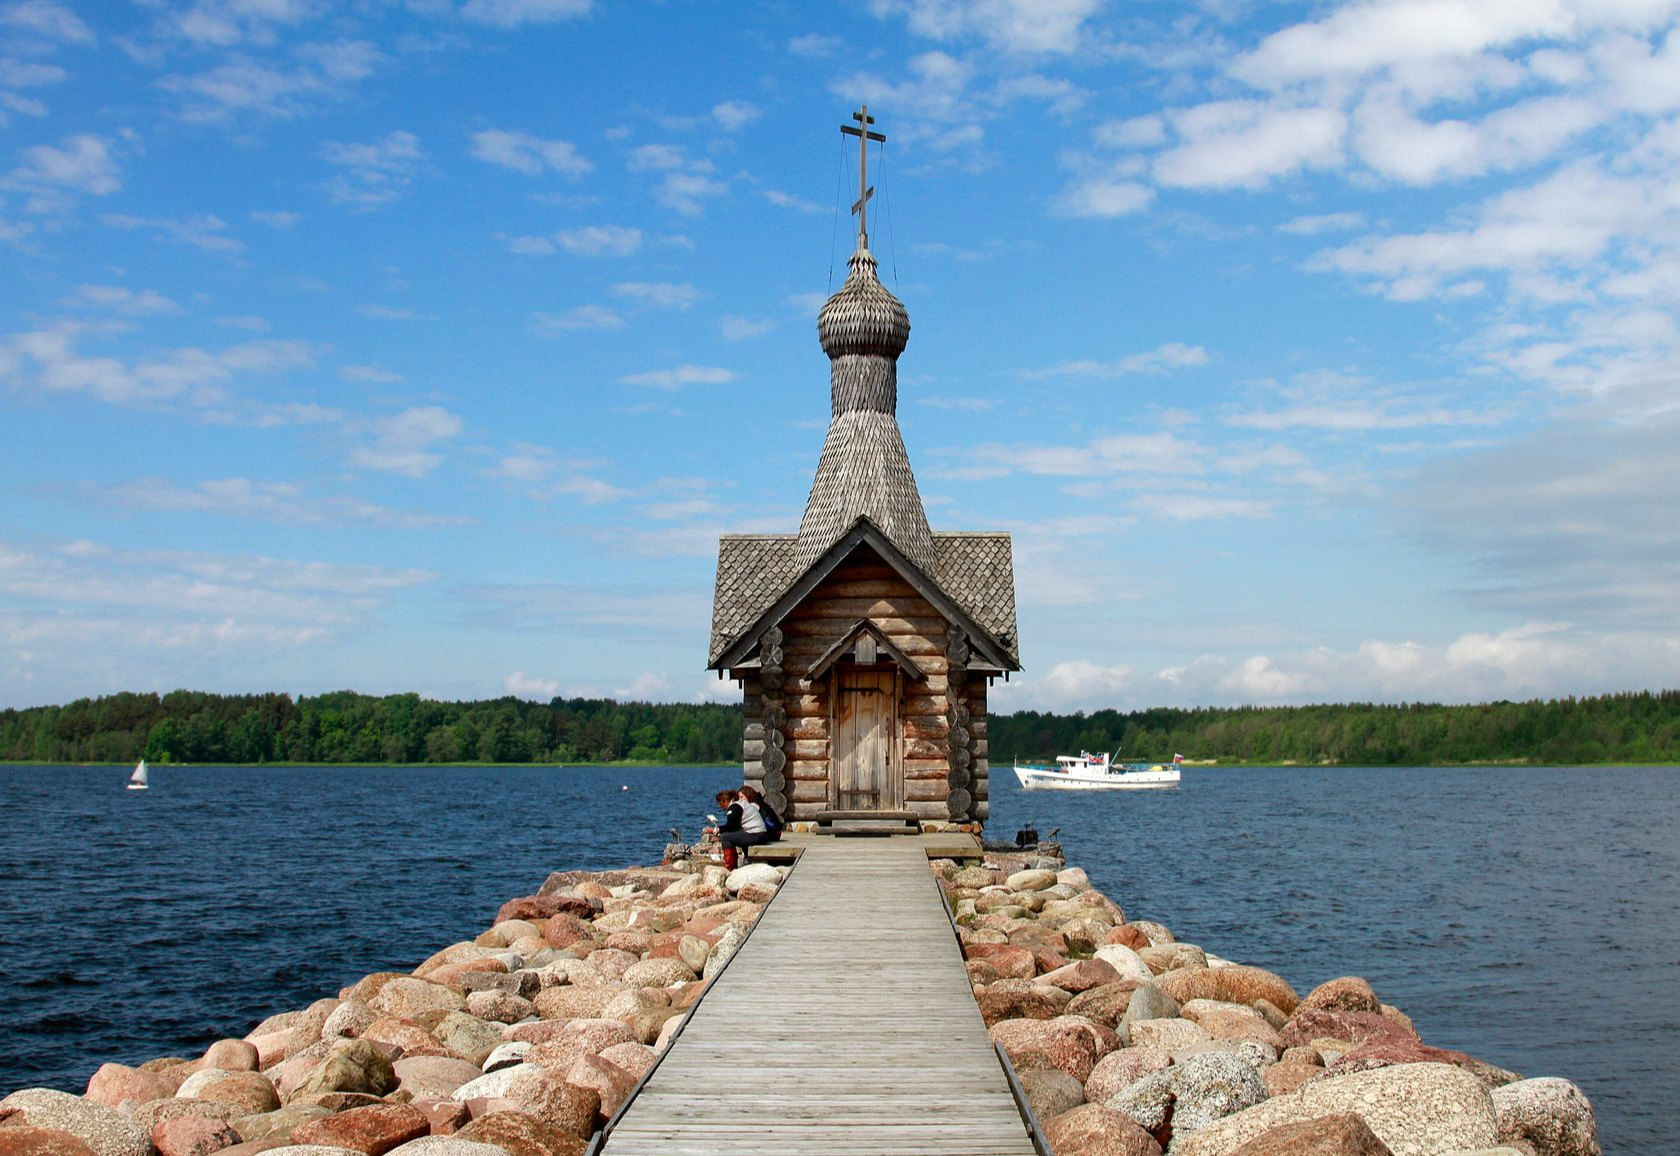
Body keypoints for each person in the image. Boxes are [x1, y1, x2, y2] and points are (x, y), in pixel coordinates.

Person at [708, 788, 768, 870]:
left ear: (725, 801)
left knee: (725, 837)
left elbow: (730, 826)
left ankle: (730, 866)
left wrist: (714, 830)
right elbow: (734, 828)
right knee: (734, 835)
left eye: (720, 803)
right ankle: (743, 860)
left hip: (757, 834)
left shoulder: (734, 808)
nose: (720, 806)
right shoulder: (740, 804)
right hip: (760, 833)